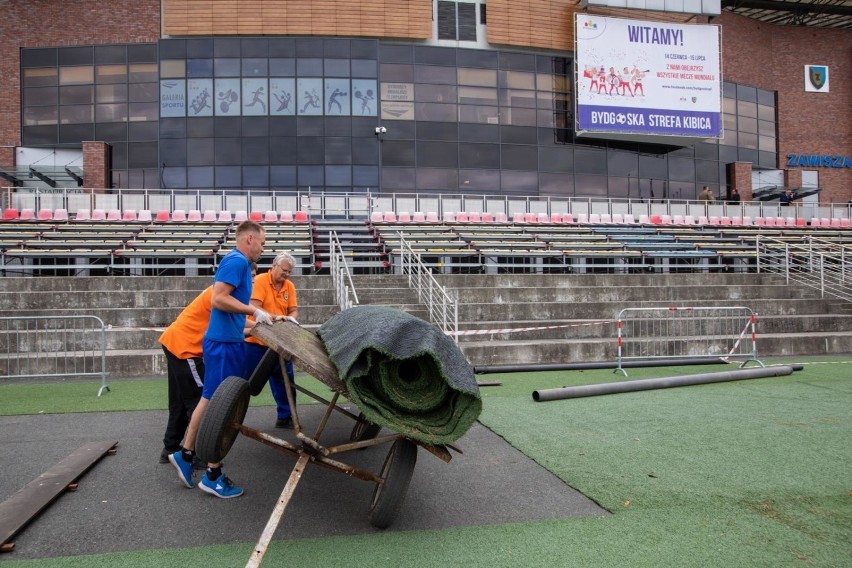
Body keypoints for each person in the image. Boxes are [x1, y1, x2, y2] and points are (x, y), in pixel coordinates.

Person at [169, 220, 268, 499]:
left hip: (225, 343)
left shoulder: (238, 264)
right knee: (223, 408)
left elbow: (231, 311)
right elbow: (219, 299)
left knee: (210, 399)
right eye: (261, 242)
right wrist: (254, 311)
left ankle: (186, 454)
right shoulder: (236, 262)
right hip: (225, 346)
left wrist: (258, 321)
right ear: (249, 239)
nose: (263, 247)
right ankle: (213, 474)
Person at [157, 263, 257, 466]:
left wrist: (260, 323)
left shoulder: (221, 291)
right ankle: (197, 453)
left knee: (179, 401)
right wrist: (258, 326)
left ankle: (170, 447)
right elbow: (232, 328)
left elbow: (239, 320)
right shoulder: (220, 295)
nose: (251, 282)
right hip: (186, 348)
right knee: (200, 401)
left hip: (174, 342)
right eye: (250, 278)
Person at [244, 252, 299, 429]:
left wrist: (291, 318)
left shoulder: (289, 286)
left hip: (280, 342)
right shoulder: (260, 280)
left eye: (289, 272)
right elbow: (254, 306)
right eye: (284, 270)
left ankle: (287, 416)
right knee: (245, 381)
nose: (287, 275)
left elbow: (293, 310)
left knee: (285, 380)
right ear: (274, 265)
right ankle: (230, 417)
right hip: (256, 341)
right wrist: (279, 318)